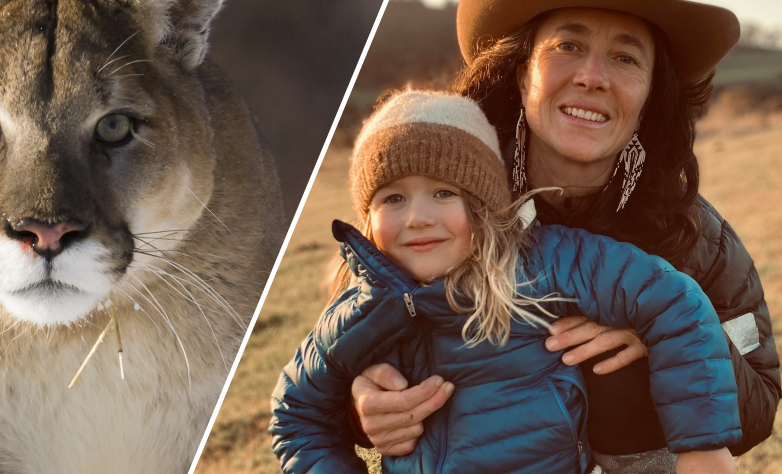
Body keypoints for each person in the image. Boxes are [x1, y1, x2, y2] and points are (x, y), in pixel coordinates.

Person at [350, 0, 780, 472]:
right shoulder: (439, 209)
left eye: (625, 57)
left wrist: (668, 344)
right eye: (568, 46)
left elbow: (760, 403)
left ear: (651, 93)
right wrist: (362, 402)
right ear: (522, 69)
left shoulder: (696, 236)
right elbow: (346, 349)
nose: (592, 77)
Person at [270, 90, 740, 474]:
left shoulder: (545, 263)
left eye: (443, 192)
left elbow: (674, 299)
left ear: (482, 204)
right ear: (367, 220)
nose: (417, 218)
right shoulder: (357, 313)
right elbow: (295, 415)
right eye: (393, 198)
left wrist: (704, 446)